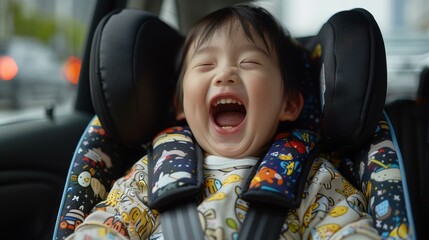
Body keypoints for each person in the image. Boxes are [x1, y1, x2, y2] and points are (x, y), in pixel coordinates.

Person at [66, 4, 380, 240]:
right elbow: (108, 226)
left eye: (249, 62)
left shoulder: (314, 180)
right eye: (205, 64)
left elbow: (348, 230)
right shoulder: (152, 175)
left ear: (289, 104)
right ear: (180, 105)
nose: (225, 74)